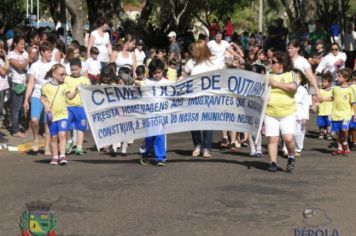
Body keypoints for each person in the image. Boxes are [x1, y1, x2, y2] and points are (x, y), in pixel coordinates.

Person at [184, 40, 224, 158]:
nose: (194, 52)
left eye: (196, 50)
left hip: (209, 97)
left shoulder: (214, 62)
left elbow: (222, 75)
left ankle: (206, 147)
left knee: (208, 122)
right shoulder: (191, 63)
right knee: (194, 122)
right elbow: (184, 77)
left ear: (202, 50)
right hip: (194, 97)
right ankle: (197, 145)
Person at [264, 51, 297, 172]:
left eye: (273, 62)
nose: (270, 64)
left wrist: (276, 84)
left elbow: (293, 87)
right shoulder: (268, 74)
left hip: (287, 112)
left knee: (288, 138)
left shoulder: (291, 74)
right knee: (273, 139)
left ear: (281, 64)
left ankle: (291, 156)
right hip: (270, 112)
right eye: (270, 62)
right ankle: (273, 162)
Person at [41, 64, 78, 165]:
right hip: (52, 116)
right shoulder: (46, 87)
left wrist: (77, 90)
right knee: (53, 137)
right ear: (54, 74)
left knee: (62, 134)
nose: (64, 76)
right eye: (61, 74)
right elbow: (42, 98)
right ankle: (55, 156)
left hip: (63, 115)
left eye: (65, 74)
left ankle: (62, 156)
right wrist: (46, 106)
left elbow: (70, 96)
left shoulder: (65, 85)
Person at [23, 42, 56, 153]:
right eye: (48, 52)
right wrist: (26, 100)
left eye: (51, 51)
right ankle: (36, 139)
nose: (51, 54)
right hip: (37, 95)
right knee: (34, 120)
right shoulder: (34, 66)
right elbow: (31, 83)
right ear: (42, 52)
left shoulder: (54, 64)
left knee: (47, 123)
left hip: (50, 98)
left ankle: (47, 146)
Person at [140, 58, 170, 166]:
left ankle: (160, 157)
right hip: (150, 113)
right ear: (151, 73)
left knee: (160, 135)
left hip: (162, 113)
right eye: (155, 73)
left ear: (163, 71)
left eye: (159, 72)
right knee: (149, 136)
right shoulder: (146, 83)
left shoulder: (167, 83)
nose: (157, 75)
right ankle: (145, 153)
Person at [64, 58, 91, 155]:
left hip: (80, 107)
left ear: (81, 68)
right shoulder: (66, 78)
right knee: (66, 126)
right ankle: (69, 141)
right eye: (72, 70)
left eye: (76, 69)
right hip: (67, 106)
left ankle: (79, 146)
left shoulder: (85, 80)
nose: (74, 72)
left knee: (80, 127)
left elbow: (89, 94)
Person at [287, 40, 319, 111]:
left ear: (297, 48)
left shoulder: (303, 61)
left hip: (299, 91)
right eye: (288, 48)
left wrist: (317, 90)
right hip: (287, 89)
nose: (289, 50)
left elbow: (310, 76)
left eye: (291, 48)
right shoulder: (285, 60)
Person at [8, 35, 30, 138]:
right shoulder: (11, 55)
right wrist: (28, 59)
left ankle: (19, 127)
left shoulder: (25, 53)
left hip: (25, 83)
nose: (23, 46)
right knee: (16, 108)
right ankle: (15, 130)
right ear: (15, 44)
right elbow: (20, 68)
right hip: (16, 83)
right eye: (21, 44)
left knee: (21, 108)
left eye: (24, 44)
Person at [330, 68, 356, 156]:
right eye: (338, 76)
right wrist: (322, 99)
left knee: (344, 130)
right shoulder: (335, 88)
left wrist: (355, 114)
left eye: (339, 76)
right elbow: (332, 98)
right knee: (337, 132)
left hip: (346, 114)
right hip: (335, 114)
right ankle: (340, 147)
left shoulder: (350, 90)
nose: (337, 78)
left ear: (346, 78)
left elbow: (353, 103)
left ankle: (345, 142)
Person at [293, 69, 310, 157]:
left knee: (299, 133)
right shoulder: (287, 88)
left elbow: (306, 105)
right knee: (288, 132)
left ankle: (298, 148)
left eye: (298, 77)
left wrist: (305, 117)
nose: (296, 79)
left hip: (300, 114)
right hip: (289, 113)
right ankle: (287, 148)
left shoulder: (303, 90)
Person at [317, 72, 333, 140]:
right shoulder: (320, 90)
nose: (323, 83)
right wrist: (316, 105)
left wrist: (323, 99)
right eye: (322, 81)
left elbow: (333, 98)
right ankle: (321, 133)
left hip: (329, 111)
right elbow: (317, 99)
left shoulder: (333, 90)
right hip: (321, 111)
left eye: (325, 81)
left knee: (329, 123)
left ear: (330, 83)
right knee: (321, 124)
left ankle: (328, 134)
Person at [0, 40, 9, 143]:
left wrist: (5, 56)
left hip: (2, 88)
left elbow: (7, 67)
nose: (1, 49)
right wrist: (6, 58)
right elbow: (3, 71)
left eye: (1, 47)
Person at [350, 70, 356, 150]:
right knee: (352, 128)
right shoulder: (349, 87)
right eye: (353, 80)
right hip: (350, 111)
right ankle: (353, 142)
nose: (354, 82)